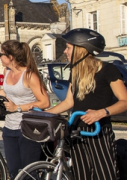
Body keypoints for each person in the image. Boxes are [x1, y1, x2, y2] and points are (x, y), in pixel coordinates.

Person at [46, 28, 127, 180]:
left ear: (81, 49)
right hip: (76, 130)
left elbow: (125, 101)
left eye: (68, 47)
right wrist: (44, 114)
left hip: (98, 131)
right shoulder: (75, 72)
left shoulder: (108, 70)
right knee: (81, 175)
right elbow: (69, 102)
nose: (65, 51)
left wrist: (101, 112)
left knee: (105, 175)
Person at [0, 40, 50, 179]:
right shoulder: (7, 71)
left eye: (1, 54)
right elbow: (7, 92)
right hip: (9, 128)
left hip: (28, 128)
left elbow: (45, 102)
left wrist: (17, 108)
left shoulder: (29, 75)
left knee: (28, 173)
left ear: (10, 57)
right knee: (13, 171)